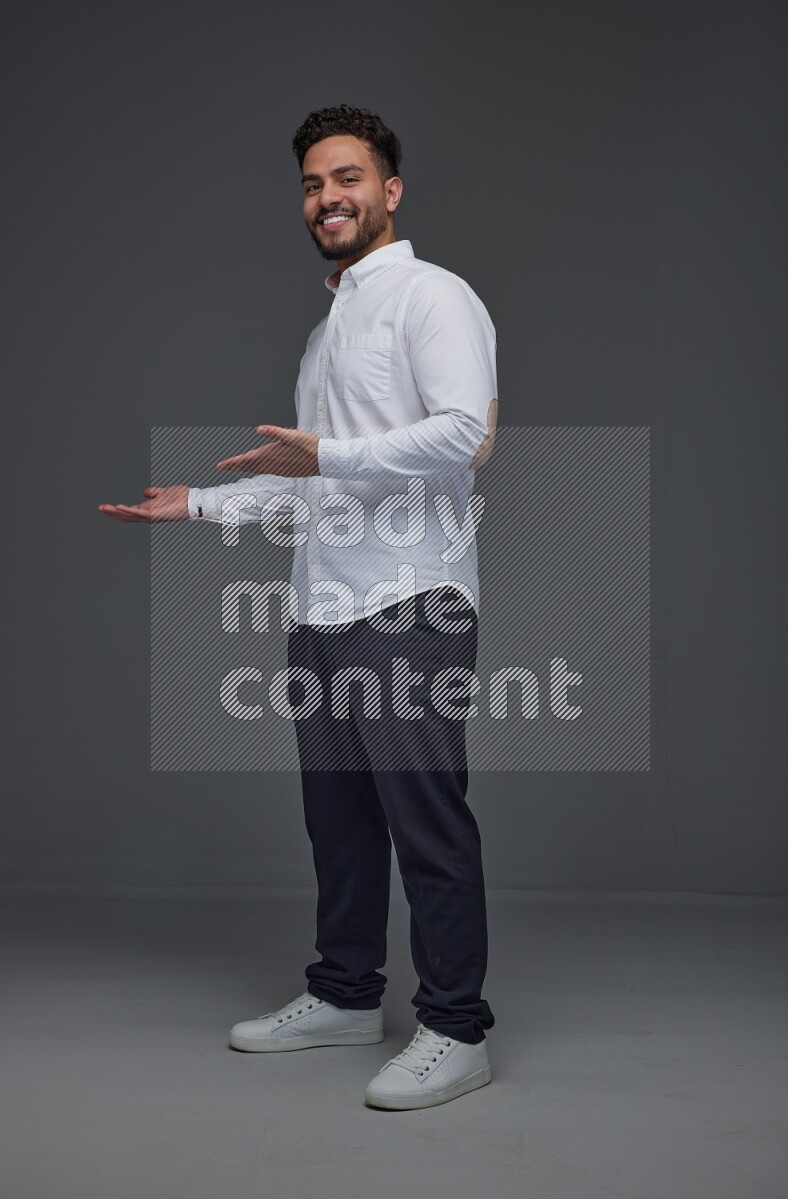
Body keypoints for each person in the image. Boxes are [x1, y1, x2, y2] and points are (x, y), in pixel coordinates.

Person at [99, 103, 499, 1111]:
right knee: (340, 823)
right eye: (315, 183)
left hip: (411, 599)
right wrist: (200, 502)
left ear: (389, 190)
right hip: (323, 606)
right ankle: (345, 993)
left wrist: (325, 453)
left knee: (427, 823)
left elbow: (459, 433)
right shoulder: (325, 333)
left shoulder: (431, 297)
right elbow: (315, 479)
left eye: (348, 178)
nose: (328, 197)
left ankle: (455, 1026)